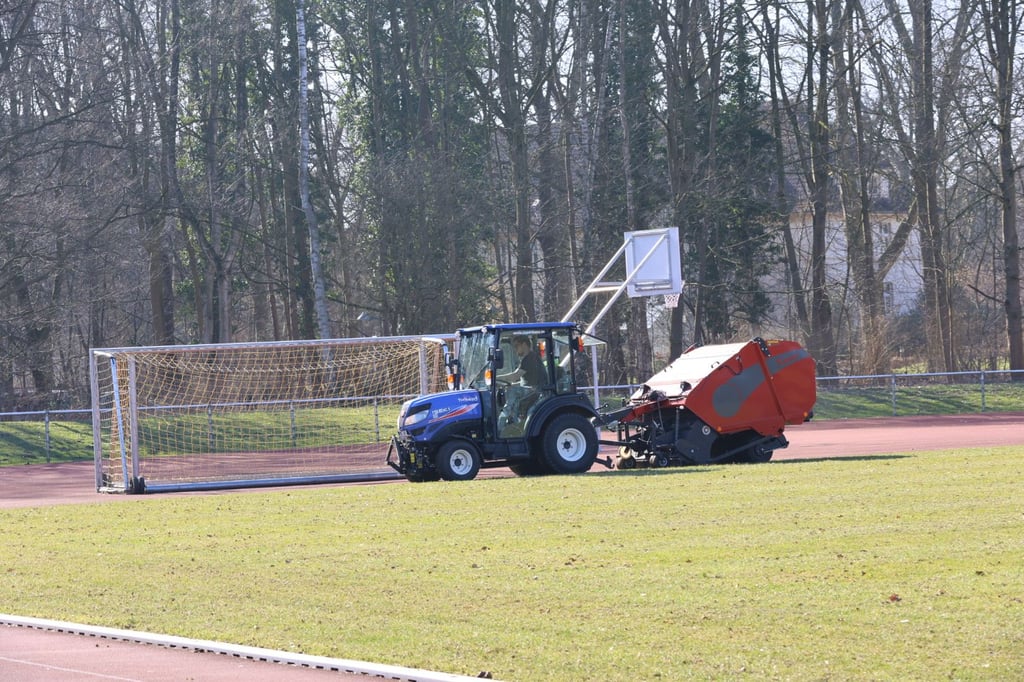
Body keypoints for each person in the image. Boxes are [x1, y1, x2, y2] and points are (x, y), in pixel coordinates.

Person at [499, 335, 545, 425]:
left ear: (524, 345)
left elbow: (514, 377)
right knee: (511, 388)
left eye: (516, 346)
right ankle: (513, 420)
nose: (515, 350)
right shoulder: (528, 358)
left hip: (537, 392)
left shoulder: (530, 358)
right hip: (532, 390)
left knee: (512, 390)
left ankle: (506, 419)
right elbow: (526, 381)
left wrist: (495, 378)